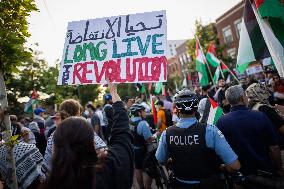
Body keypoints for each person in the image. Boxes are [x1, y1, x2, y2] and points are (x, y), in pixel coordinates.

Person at [42, 82, 134, 189]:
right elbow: (122, 133)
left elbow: (47, 169)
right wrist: (114, 92)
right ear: (90, 141)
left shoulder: (58, 180)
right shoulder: (109, 166)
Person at [156, 89, 240, 189]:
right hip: (209, 184)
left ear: (177, 109)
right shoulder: (210, 131)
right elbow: (235, 166)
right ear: (196, 108)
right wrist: (223, 168)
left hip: (180, 184)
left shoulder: (167, 133)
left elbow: (160, 160)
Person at [216, 85, 282, 176]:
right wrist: (279, 169)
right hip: (264, 171)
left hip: (241, 174)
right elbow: (274, 147)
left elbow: (221, 150)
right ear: (243, 98)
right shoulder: (260, 116)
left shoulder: (222, 121)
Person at [40, 99, 107, 180]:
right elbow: (102, 152)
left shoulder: (54, 135)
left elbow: (48, 164)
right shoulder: (84, 129)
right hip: (86, 179)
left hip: (63, 180)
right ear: (77, 113)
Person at [129, 104, 159, 189]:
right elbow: (149, 139)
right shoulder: (142, 123)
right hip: (143, 150)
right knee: (148, 169)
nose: (145, 112)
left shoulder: (130, 121)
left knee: (138, 168)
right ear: (139, 113)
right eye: (143, 111)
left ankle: (141, 187)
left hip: (134, 148)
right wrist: (156, 134)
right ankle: (147, 187)